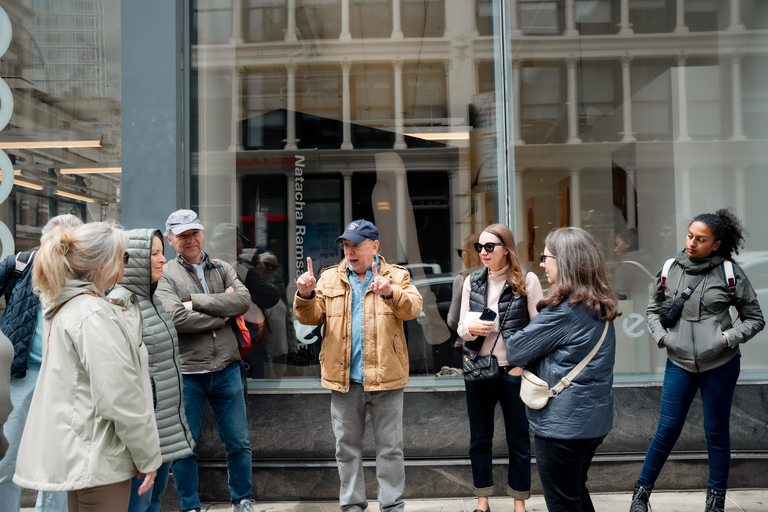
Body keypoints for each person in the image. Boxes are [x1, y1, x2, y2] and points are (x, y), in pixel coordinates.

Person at [13, 221, 162, 511]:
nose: (124, 266)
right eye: (123, 257)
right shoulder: (93, 312)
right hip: (99, 457)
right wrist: (148, 456)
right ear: (102, 265)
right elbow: (120, 396)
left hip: (83, 453)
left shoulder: (68, 306)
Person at [630, 209, 765, 512]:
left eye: (701, 239)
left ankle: (715, 501)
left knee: (716, 433)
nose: (691, 243)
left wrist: (727, 339)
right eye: (690, 236)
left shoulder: (730, 273)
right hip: (678, 362)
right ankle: (640, 495)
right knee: (666, 430)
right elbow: (653, 310)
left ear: (716, 244)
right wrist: (663, 338)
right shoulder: (669, 268)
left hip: (720, 364)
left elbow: (755, 319)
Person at [293, 219, 423, 512]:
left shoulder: (397, 275)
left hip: (386, 379)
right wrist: (305, 294)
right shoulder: (329, 278)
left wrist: (390, 292)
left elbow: (414, 307)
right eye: (346, 245)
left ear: (374, 246)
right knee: (346, 449)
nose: (349, 252)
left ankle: (391, 505)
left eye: (356, 245)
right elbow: (310, 317)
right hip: (344, 380)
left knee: (390, 449)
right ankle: (352, 505)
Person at [505, 227, 619, 512]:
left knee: (563, 502)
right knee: (575, 493)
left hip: (563, 425)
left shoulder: (565, 311)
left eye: (546, 257)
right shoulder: (599, 304)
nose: (542, 263)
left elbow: (516, 350)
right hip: (592, 420)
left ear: (565, 261)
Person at [154, 210, 255, 512]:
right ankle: (190, 506)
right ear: (171, 239)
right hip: (187, 372)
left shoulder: (221, 267)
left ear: (202, 233)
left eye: (194, 232)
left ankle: (243, 499)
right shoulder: (166, 274)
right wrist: (223, 314)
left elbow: (243, 301)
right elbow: (176, 318)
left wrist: (197, 301)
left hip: (227, 368)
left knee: (238, 442)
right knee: (185, 446)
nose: (190, 240)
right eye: (182, 235)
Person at [108, 229, 196, 512]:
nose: (163, 259)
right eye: (154, 253)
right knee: (139, 504)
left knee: (152, 501)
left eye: (161, 252)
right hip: (145, 431)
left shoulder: (152, 298)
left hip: (163, 426)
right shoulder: (121, 304)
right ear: (131, 260)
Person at [457, 224, 543, 512]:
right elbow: (460, 327)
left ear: (506, 248)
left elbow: (538, 330)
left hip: (512, 371)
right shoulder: (473, 281)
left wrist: (521, 366)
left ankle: (519, 503)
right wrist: (471, 328)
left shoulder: (527, 280)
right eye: (479, 247)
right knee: (479, 439)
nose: (483, 252)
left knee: (518, 439)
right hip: (478, 369)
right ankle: (483, 502)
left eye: (489, 247)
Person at [0, 213, 82, 512]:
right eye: (55, 242)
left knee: (58, 463)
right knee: (5, 458)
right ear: (43, 241)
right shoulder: (19, 265)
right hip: (19, 377)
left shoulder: (84, 273)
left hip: (63, 378)